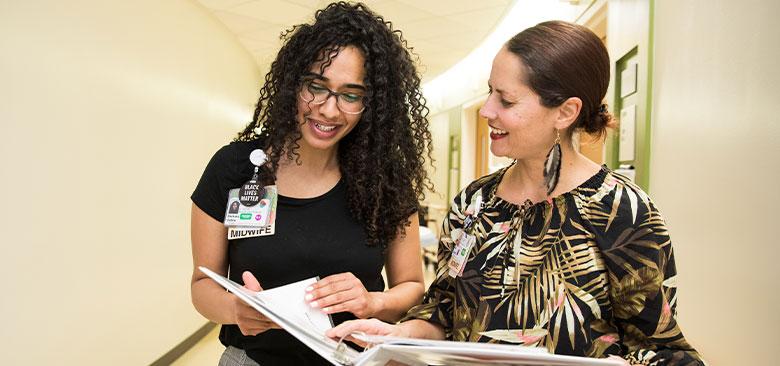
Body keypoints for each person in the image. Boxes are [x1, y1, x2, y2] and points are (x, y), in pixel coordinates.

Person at [328, 21, 705, 365]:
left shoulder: (621, 211)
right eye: (489, 93)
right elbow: (443, 311)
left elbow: (662, 348)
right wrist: (399, 334)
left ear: (565, 112)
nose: (487, 110)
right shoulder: (473, 204)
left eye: (506, 101)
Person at [190, 2, 432, 365]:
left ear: (371, 105)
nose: (329, 110)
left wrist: (373, 302)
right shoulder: (236, 168)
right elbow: (201, 286)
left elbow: (412, 287)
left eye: (350, 95)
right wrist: (236, 310)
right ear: (293, 85)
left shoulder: (386, 180)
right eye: (316, 87)